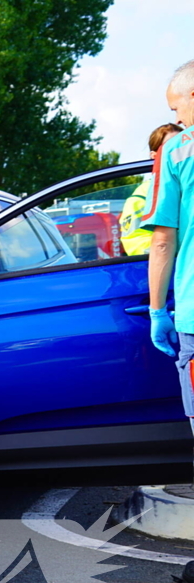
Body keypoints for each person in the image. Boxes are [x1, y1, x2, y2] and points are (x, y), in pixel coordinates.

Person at [145, 59, 194, 433]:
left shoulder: (176, 150)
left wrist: (157, 310)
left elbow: (162, 241)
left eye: (176, 108)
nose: (176, 118)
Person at [119, 123, 183, 255]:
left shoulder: (188, 186)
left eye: (183, 145)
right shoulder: (140, 198)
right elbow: (137, 243)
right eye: (171, 147)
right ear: (154, 156)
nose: (179, 151)